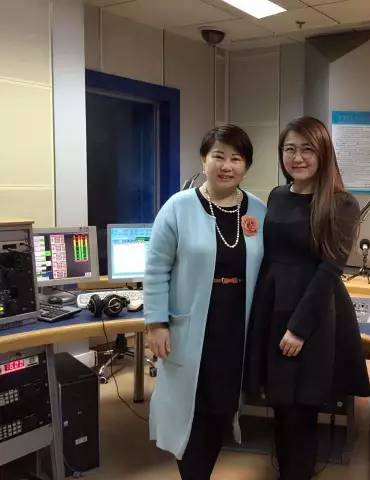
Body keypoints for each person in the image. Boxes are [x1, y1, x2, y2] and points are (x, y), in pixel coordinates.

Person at [245, 116, 370, 480]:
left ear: (323, 153)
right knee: (281, 406)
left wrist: (299, 328)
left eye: (306, 149)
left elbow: (330, 269)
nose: (297, 157)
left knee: (302, 411)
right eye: (289, 149)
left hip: (311, 314)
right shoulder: (277, 195)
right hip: (273, 306)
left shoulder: (341, 203)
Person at [144, 125, 266, 479]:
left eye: (236, 158)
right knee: (190, 411)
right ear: (203, 160)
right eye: (218, 156)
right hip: (190, 330)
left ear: (246, 165)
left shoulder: (258, 210)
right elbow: (156, 268)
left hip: (236, 331)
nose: (226, 166)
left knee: (220, 410)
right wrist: (156, 323)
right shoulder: (178, 207)